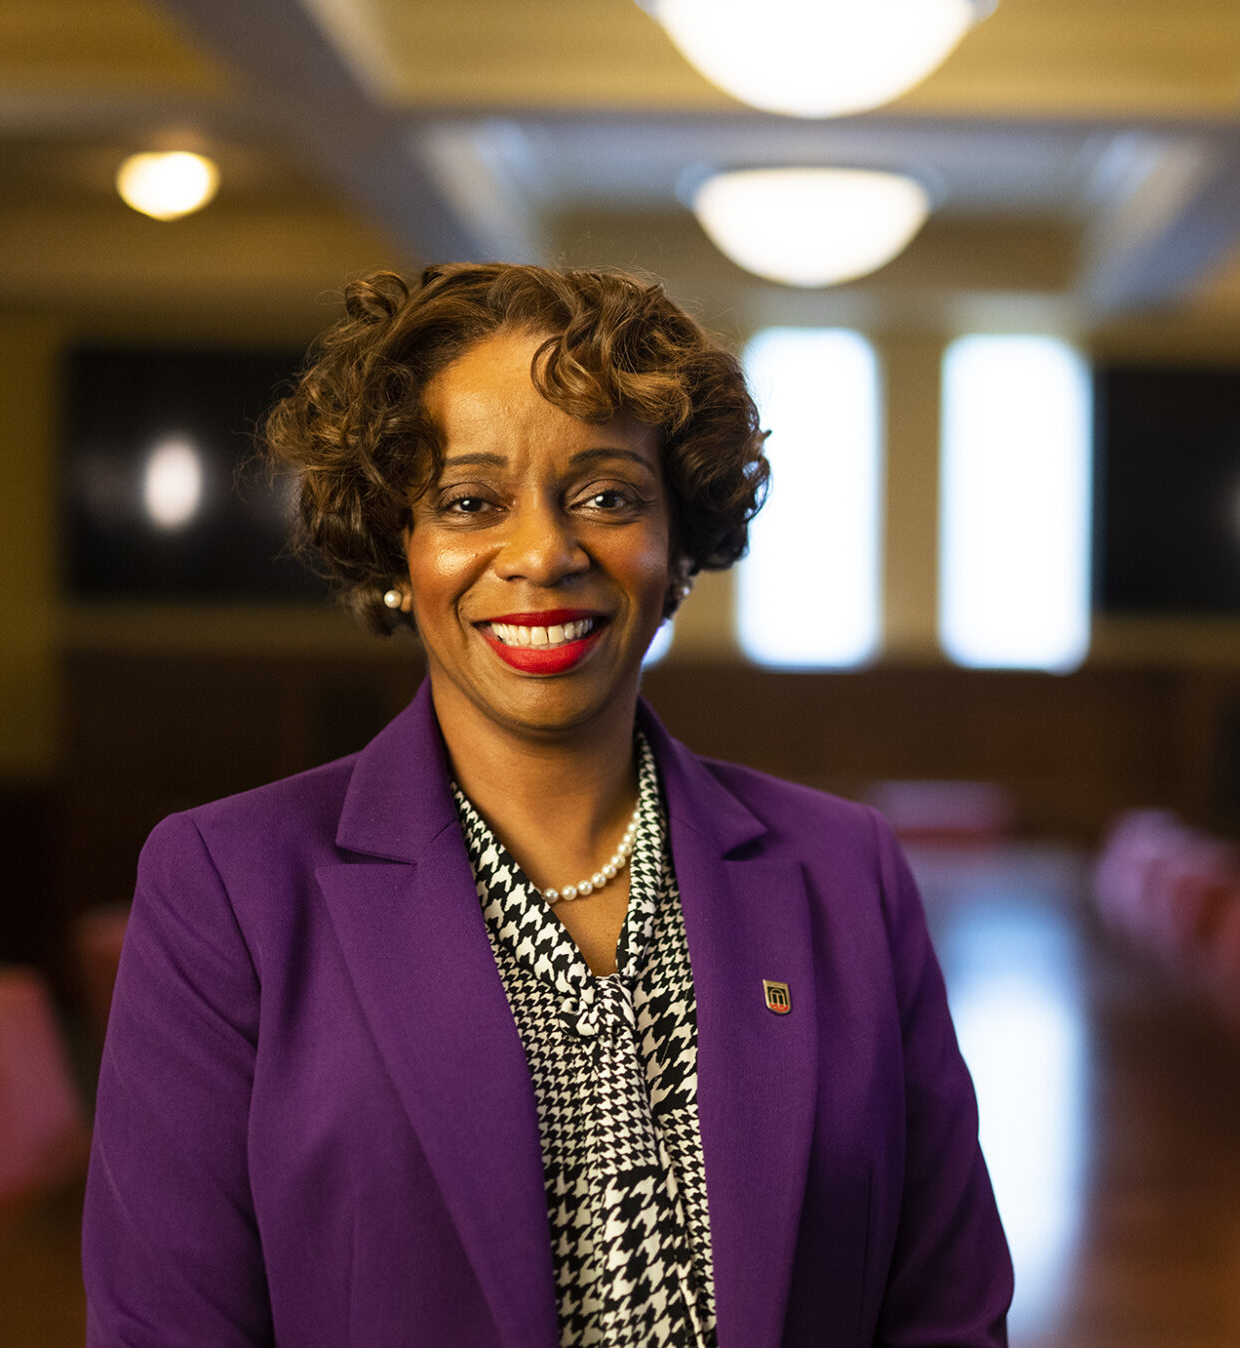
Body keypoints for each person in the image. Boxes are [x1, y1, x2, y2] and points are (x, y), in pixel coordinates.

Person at [82, 263, 1013, 1347]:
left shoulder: (845, 868)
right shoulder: (225, 886)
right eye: (470, 502)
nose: (543, 553)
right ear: (399, 549)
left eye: (608, 496)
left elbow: (945, 1314)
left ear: (676, 547)